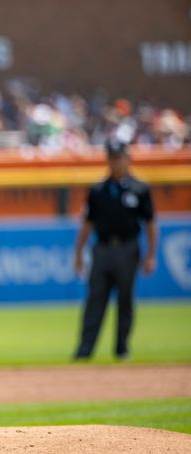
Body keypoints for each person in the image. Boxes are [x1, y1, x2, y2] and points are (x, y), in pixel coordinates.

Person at [73, 141, 158, 361]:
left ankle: (122, 349)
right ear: (107, 160)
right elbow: (87, 224)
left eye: (119, 157)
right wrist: (78, 254)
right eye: (112, 157)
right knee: (95, 300)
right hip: (101, 249)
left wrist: (151, 255)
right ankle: (85, 350)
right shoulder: (98, 190)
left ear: (127, 158)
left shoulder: (139, 189)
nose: (116, 161)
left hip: (128, 248)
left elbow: (150, 224)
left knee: (125, 301)